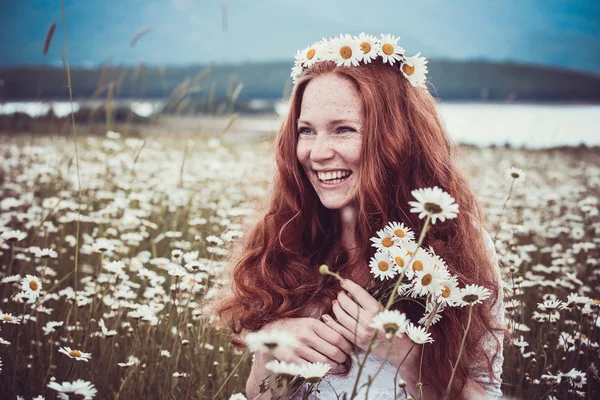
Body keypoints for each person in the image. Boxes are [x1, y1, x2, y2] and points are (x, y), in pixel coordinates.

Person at [207, 33, 506, 399]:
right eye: (306, 131)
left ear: (396, 137)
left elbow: (485, 393)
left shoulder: (453, 247)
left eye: (343, 129)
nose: (317, 153)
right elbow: (260, 394)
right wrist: (272, 349)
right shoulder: (285, 238)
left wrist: (407, 355)